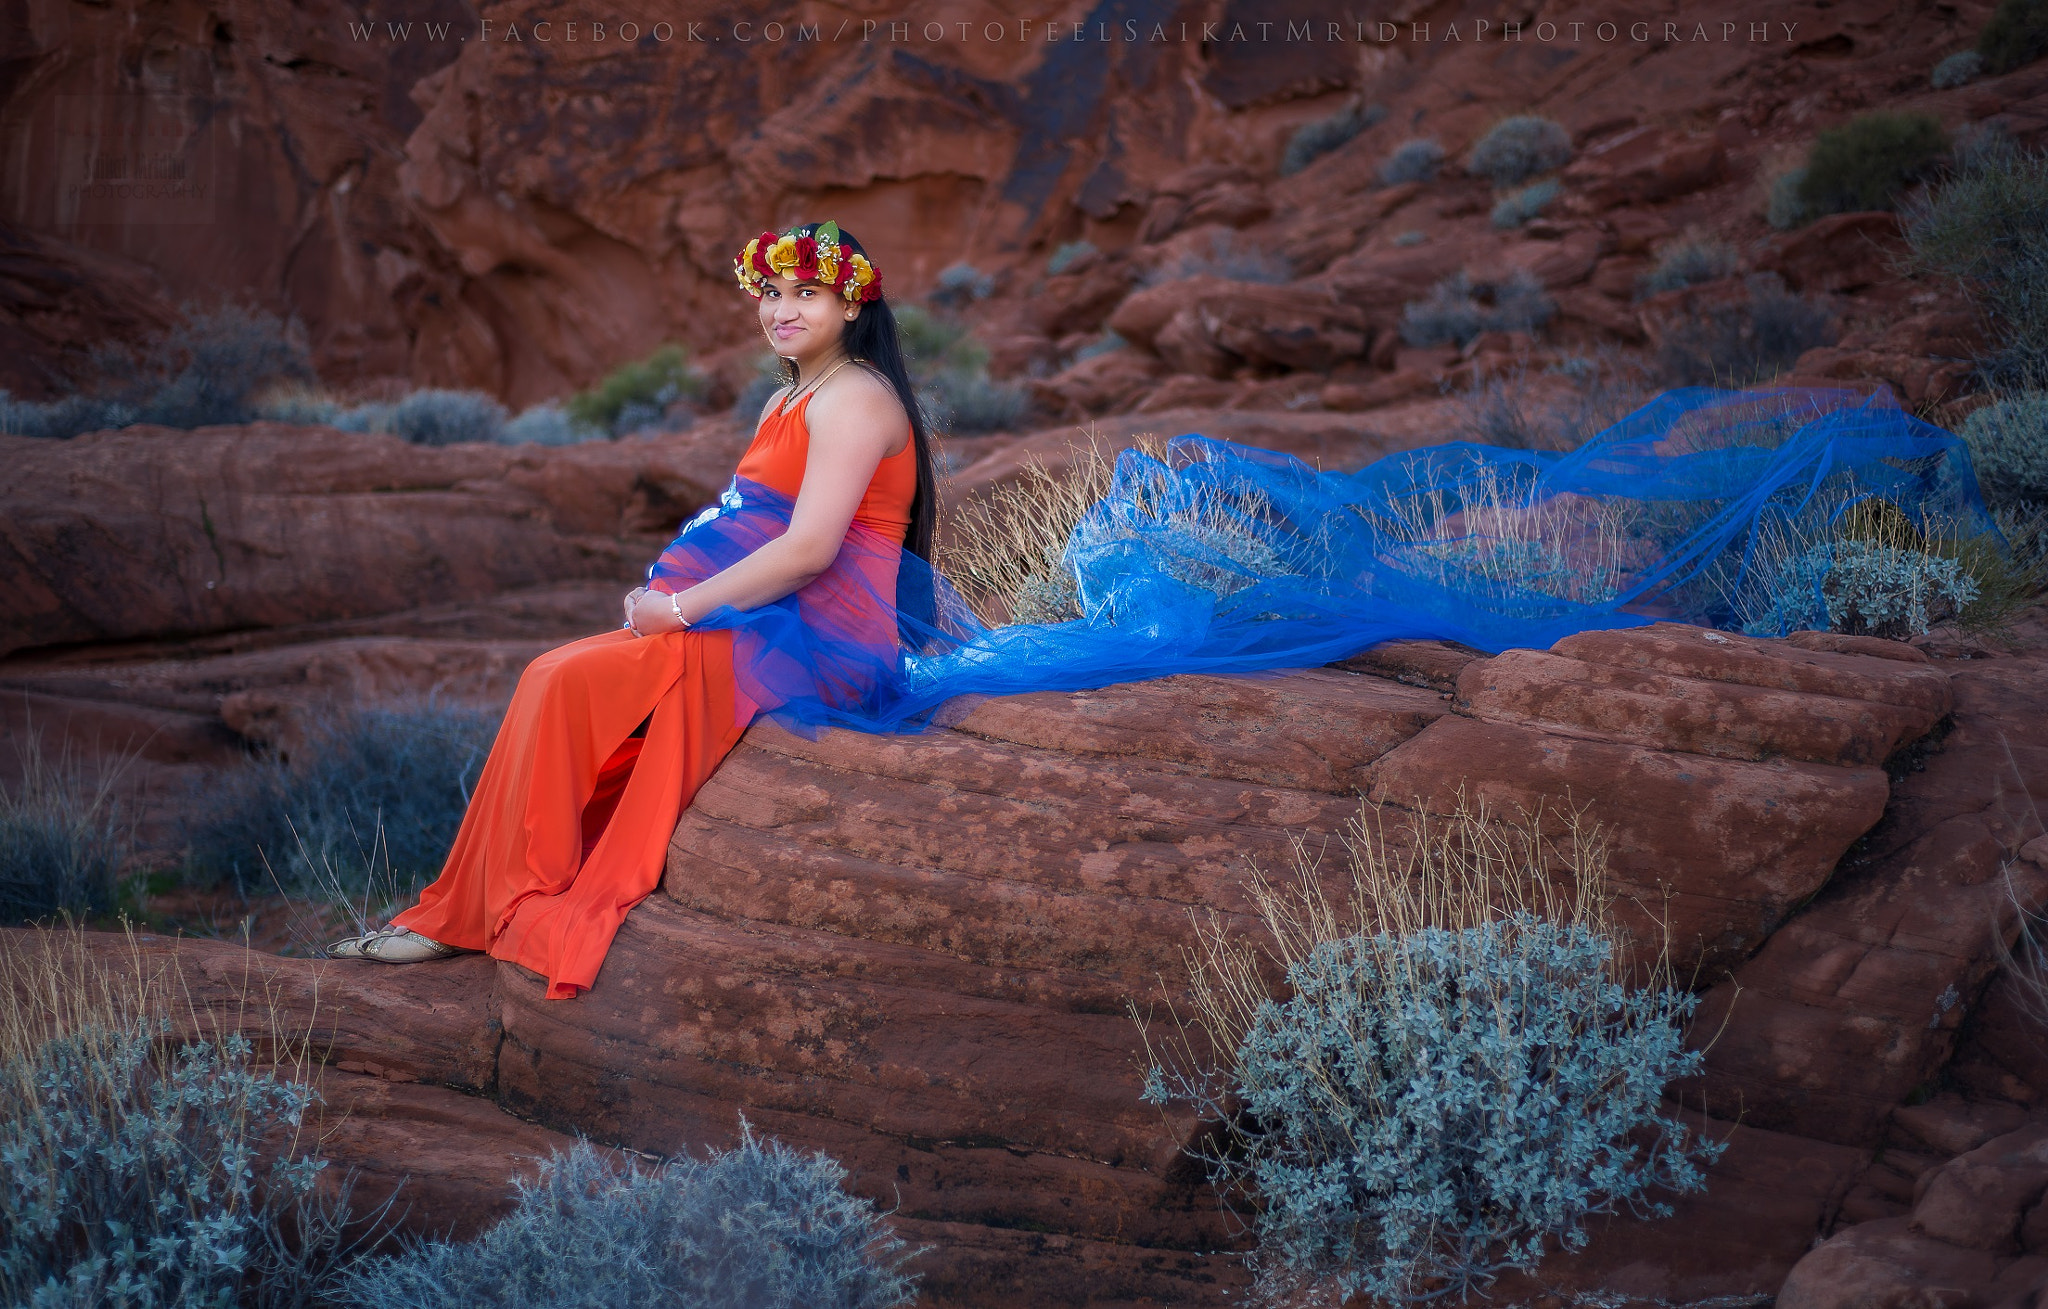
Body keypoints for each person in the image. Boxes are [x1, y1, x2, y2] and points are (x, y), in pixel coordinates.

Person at [327, 220, 937, 1000]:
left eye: (807, 294)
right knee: (557, 676)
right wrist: (663, 595)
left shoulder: (853, 398)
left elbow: (810, 549)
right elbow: (744, 522)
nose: (782, 310)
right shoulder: (790, 396)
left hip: (819, 642)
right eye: (772, 293)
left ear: (852, 304)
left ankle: (494, 904)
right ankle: (461, 905)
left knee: (559, 678)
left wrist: (678, 609)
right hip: (768, 622)